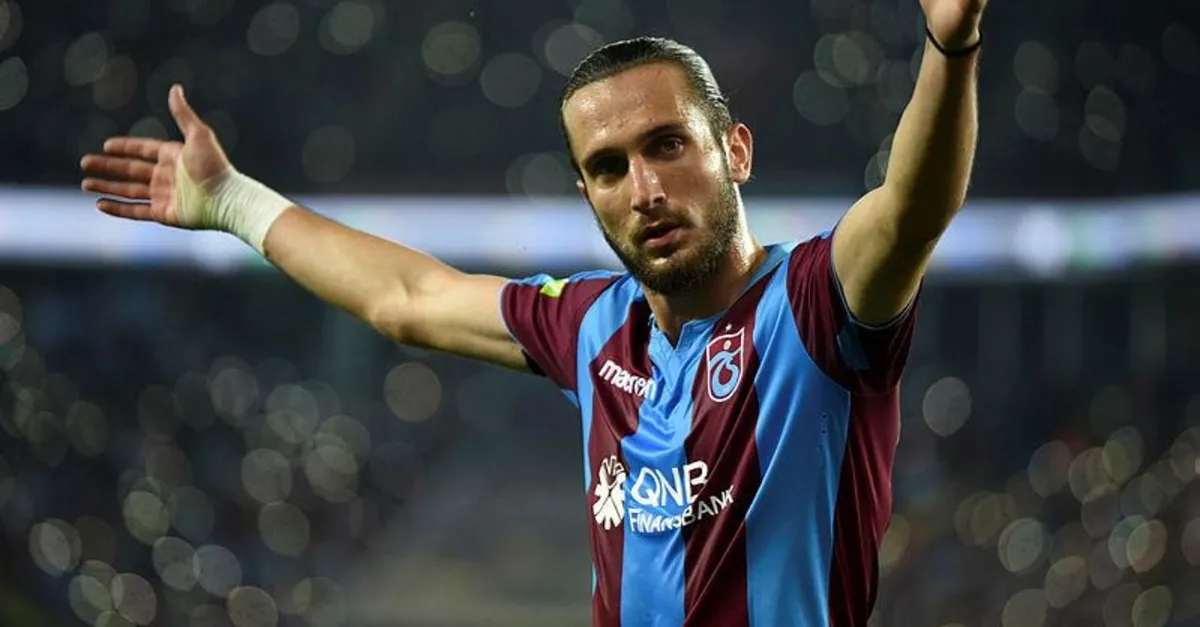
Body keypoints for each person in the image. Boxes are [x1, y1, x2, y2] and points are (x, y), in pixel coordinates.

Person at [80, 0, 988, 623]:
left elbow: (912, 206)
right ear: (587, 193)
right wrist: (235, 202)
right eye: (608, 167)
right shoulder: (593, 326)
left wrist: (949, 50)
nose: (645, 189)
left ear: (735, 151)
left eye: (668, 145)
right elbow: (408, 297)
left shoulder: (816, 306)